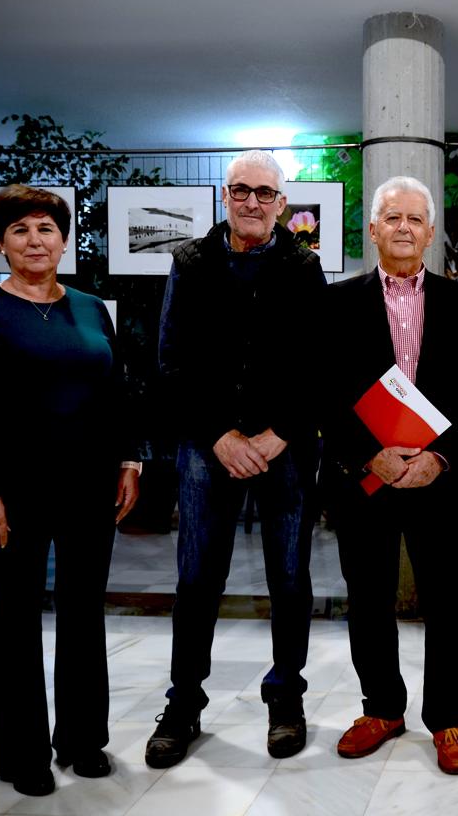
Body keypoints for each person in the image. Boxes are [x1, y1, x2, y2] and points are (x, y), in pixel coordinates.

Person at [0, 185, 141, 796]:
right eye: (20, 230)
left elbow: (116, 389)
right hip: (11, 495)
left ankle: (82, 739)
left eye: (46, 229)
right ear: (1, 244)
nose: (35, 241)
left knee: (83, 614)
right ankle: (20, 753)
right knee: (13, 619)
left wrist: (129, 458)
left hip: (89, 489)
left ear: (64, 240)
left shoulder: (90, 309)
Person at [145, 150, 326, 767]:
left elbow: (318, 365)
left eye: (264, 192)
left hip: (285, 449)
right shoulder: (190, 262)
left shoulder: (304, 267)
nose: (252, 201)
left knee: (290, 579)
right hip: (208, 446)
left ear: (282, 203)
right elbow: (171, 361)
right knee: (197, 578)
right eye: (241, 190)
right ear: (225, 197)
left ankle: (286, 697)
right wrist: (219, 435)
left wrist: (280, 433)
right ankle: (184, 703)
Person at [321, 175, 458, 774]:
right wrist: (371, 455)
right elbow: (326, 393)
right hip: (364, 477)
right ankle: (382, 709)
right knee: (369, 599)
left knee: (447, 602)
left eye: (415, 219)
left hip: (437, 478)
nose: (403, 228)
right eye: (392, 217)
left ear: (431, 232)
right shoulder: (337, 302)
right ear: (372, 229)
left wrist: (437, 458)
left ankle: (448, 718)